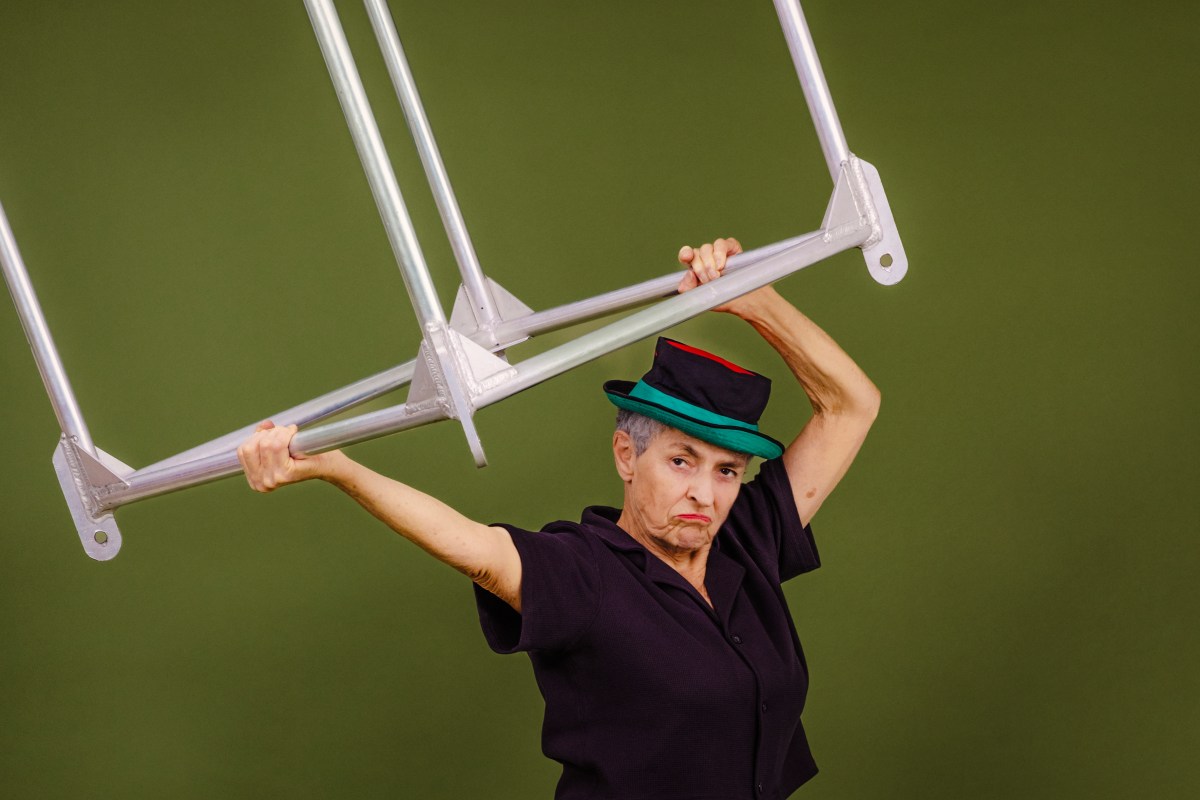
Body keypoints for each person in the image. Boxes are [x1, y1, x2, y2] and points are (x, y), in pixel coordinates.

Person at [237, 237, 880, 799]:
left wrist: (754, 299)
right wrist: (340, 469)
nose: (705, 495)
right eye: (682, 460)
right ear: (627, 454)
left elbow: (850, 406)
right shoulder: (585, 571)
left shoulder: (749, 540)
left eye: (726, 471)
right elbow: (478, 549)